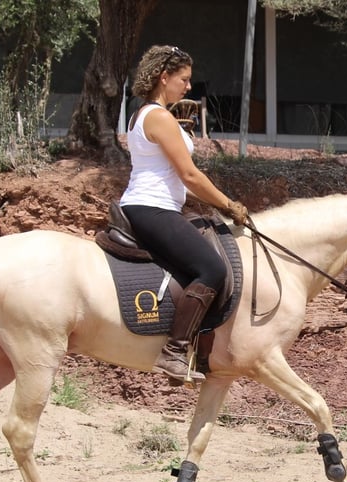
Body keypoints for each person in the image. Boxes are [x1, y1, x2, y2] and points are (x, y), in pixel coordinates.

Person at [119, 45, 249, 385]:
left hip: (155, 203)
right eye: (184, 79)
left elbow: (176, 178)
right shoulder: (159, 117)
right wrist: (229, 205)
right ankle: (174, 351)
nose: (189, 87)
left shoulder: (143, 114)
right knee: (212, 268)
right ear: (165, 78)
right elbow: (190, 175)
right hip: (151, 207)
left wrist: (208, 201)